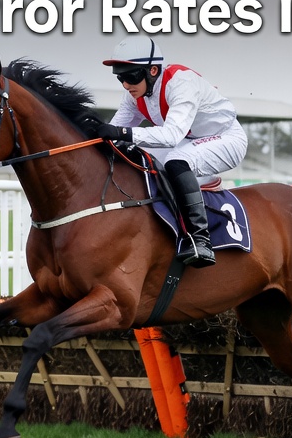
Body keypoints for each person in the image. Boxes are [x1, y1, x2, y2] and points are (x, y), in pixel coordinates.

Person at [97, 37, 247, 267]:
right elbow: (114, 132)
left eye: (131, 76)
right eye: (120, 78)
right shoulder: (134, 96)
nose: (126, 85)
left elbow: (170, 136)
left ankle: (200, 239)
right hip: (189, 139)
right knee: (133, 155)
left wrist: (121, 133)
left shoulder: (181, 83)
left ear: (153, 70)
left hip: (227, 138)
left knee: (177, 161)